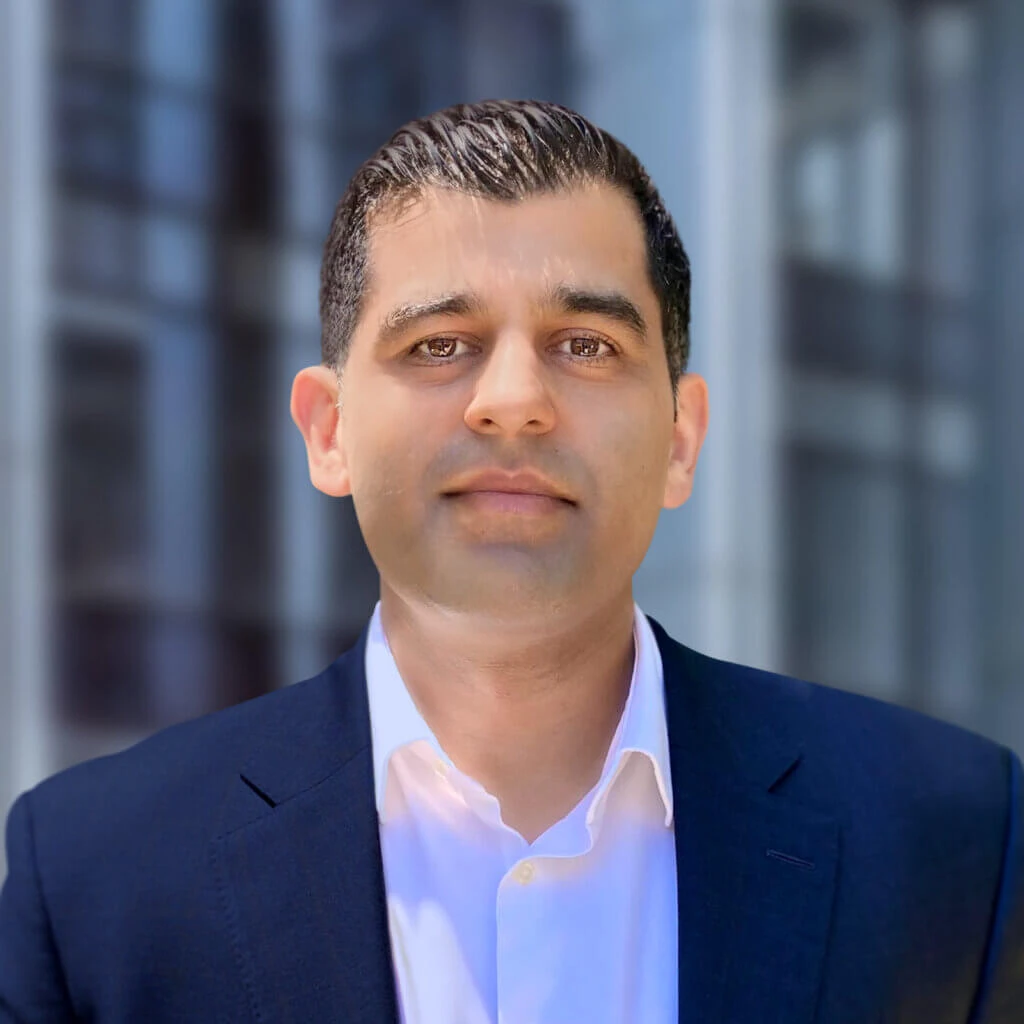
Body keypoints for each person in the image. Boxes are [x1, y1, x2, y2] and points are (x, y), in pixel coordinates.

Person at [0, 100, 1021, 1024]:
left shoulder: (955, 846)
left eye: (587, 344)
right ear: (328, 431)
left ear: (680, 437)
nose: (514, 401)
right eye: (440, 344)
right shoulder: (93, 881)